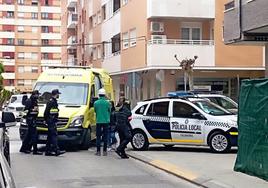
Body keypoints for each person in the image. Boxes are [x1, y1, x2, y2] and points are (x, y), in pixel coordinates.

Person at [20, 90, 42, 155]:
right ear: (34, 94)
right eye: (37, 95)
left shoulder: (34, 100)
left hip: (33, 119)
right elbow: (25, 111)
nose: (38, 96)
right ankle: (35, 150)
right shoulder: (29, 101)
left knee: (28, 135)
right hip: (31, 120)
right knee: (34, 135)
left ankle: (24, 149)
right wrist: (32, 110)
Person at [44, 89, 65, 156]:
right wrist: (47, 120)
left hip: (51, 120)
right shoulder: (51, 102)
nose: (59, 95)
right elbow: (46, 112)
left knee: (50, 136)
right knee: (54, 135)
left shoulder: (52, 101)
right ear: (56, 94)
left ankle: (47, 151)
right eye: (58, 94)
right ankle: (56, 150)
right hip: (51, 121)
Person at [94, 88, 111, 156]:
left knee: (98, 136)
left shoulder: (96, 103)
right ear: (104, 95)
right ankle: (105, 151)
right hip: (106, 121)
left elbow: (95, 111)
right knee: (105, 136)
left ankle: (98, 151)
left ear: (99, 94)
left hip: (98, 121)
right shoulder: (107, 103)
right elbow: (109, 110)